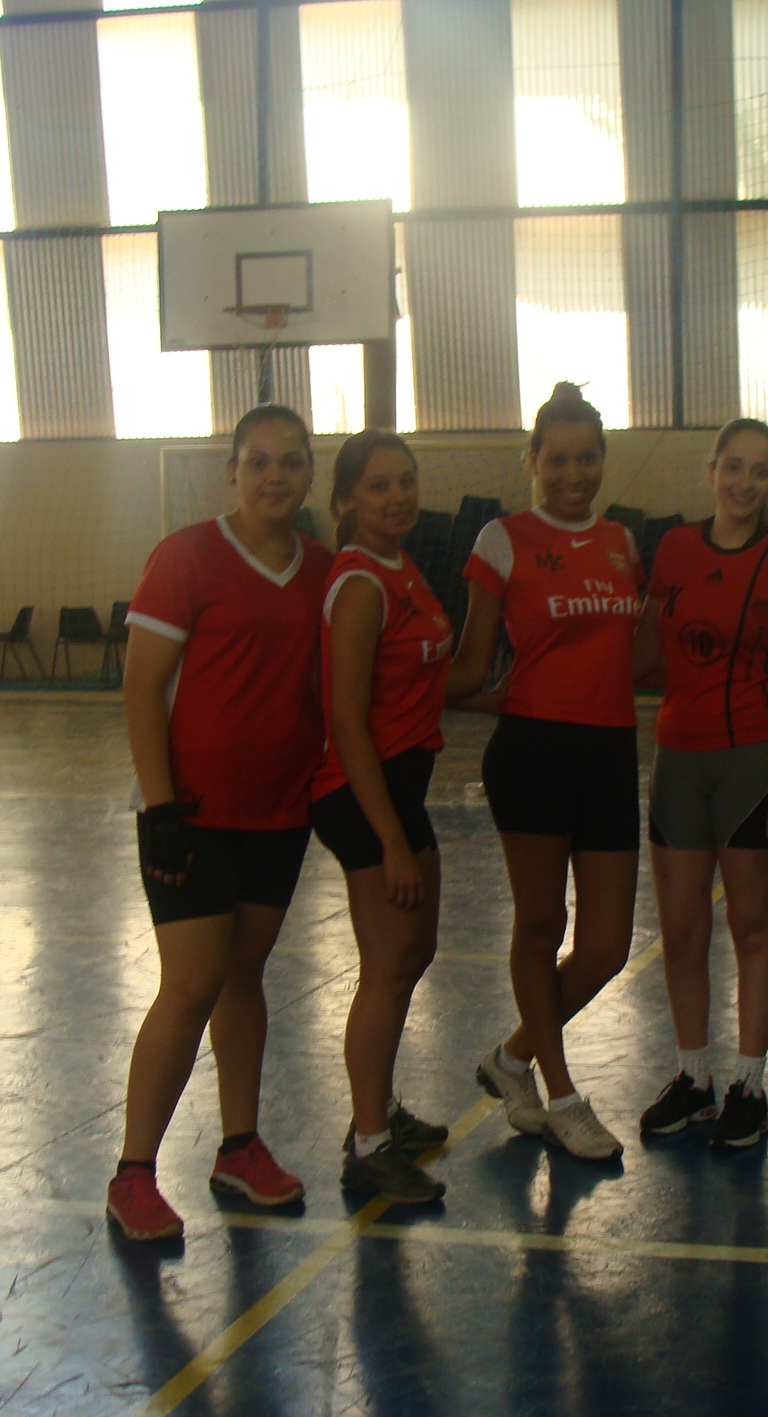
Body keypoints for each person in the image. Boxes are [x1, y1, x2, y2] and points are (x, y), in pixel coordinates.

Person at [106, 405, 335, 1241]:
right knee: (192, 984)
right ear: (231, 471)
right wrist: (162, 805)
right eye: (259, 461)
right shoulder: (186, 557)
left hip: (278, 812)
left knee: (244, 976)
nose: (275, 476)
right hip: (191, 815)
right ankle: (133, 1173)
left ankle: (239, 1147)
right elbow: (141, 688)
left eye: (291, 462)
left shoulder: (323, 570)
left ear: (309, 474)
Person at [446, 383, 643, 1161]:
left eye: (586, 459)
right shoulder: (502, 540)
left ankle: (511, 1058)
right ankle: (561, 1096)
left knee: (606, 947)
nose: (572, 474)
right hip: (534, 752)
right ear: (532, 460)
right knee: (540, 928)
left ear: (603, 459)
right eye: (556, 460)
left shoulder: (623, 543)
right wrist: (385, 692)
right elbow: (472, 662)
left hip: (611, 751)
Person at [633, 418, 768, 1150]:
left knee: (752, 927)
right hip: (678, 759)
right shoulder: (675, 548)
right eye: (733, 466)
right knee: (680, 931)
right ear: (711, 469)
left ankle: (749, 1084)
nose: (745, 483)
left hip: (752, 763)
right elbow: (644, 651)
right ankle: (692, 1078)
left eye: (760, 471)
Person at [312, 429, 454, 1203]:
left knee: (412, 953)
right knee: (387, 967)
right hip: (363, 794)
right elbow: (346, 721)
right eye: (378, 486)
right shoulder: (361, 583)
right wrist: (391, 839)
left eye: (406, 480)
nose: (397, 496)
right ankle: (368, 1145)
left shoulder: (402, 566)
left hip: (402, 788)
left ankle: (381, 1110)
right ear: (346, 501)